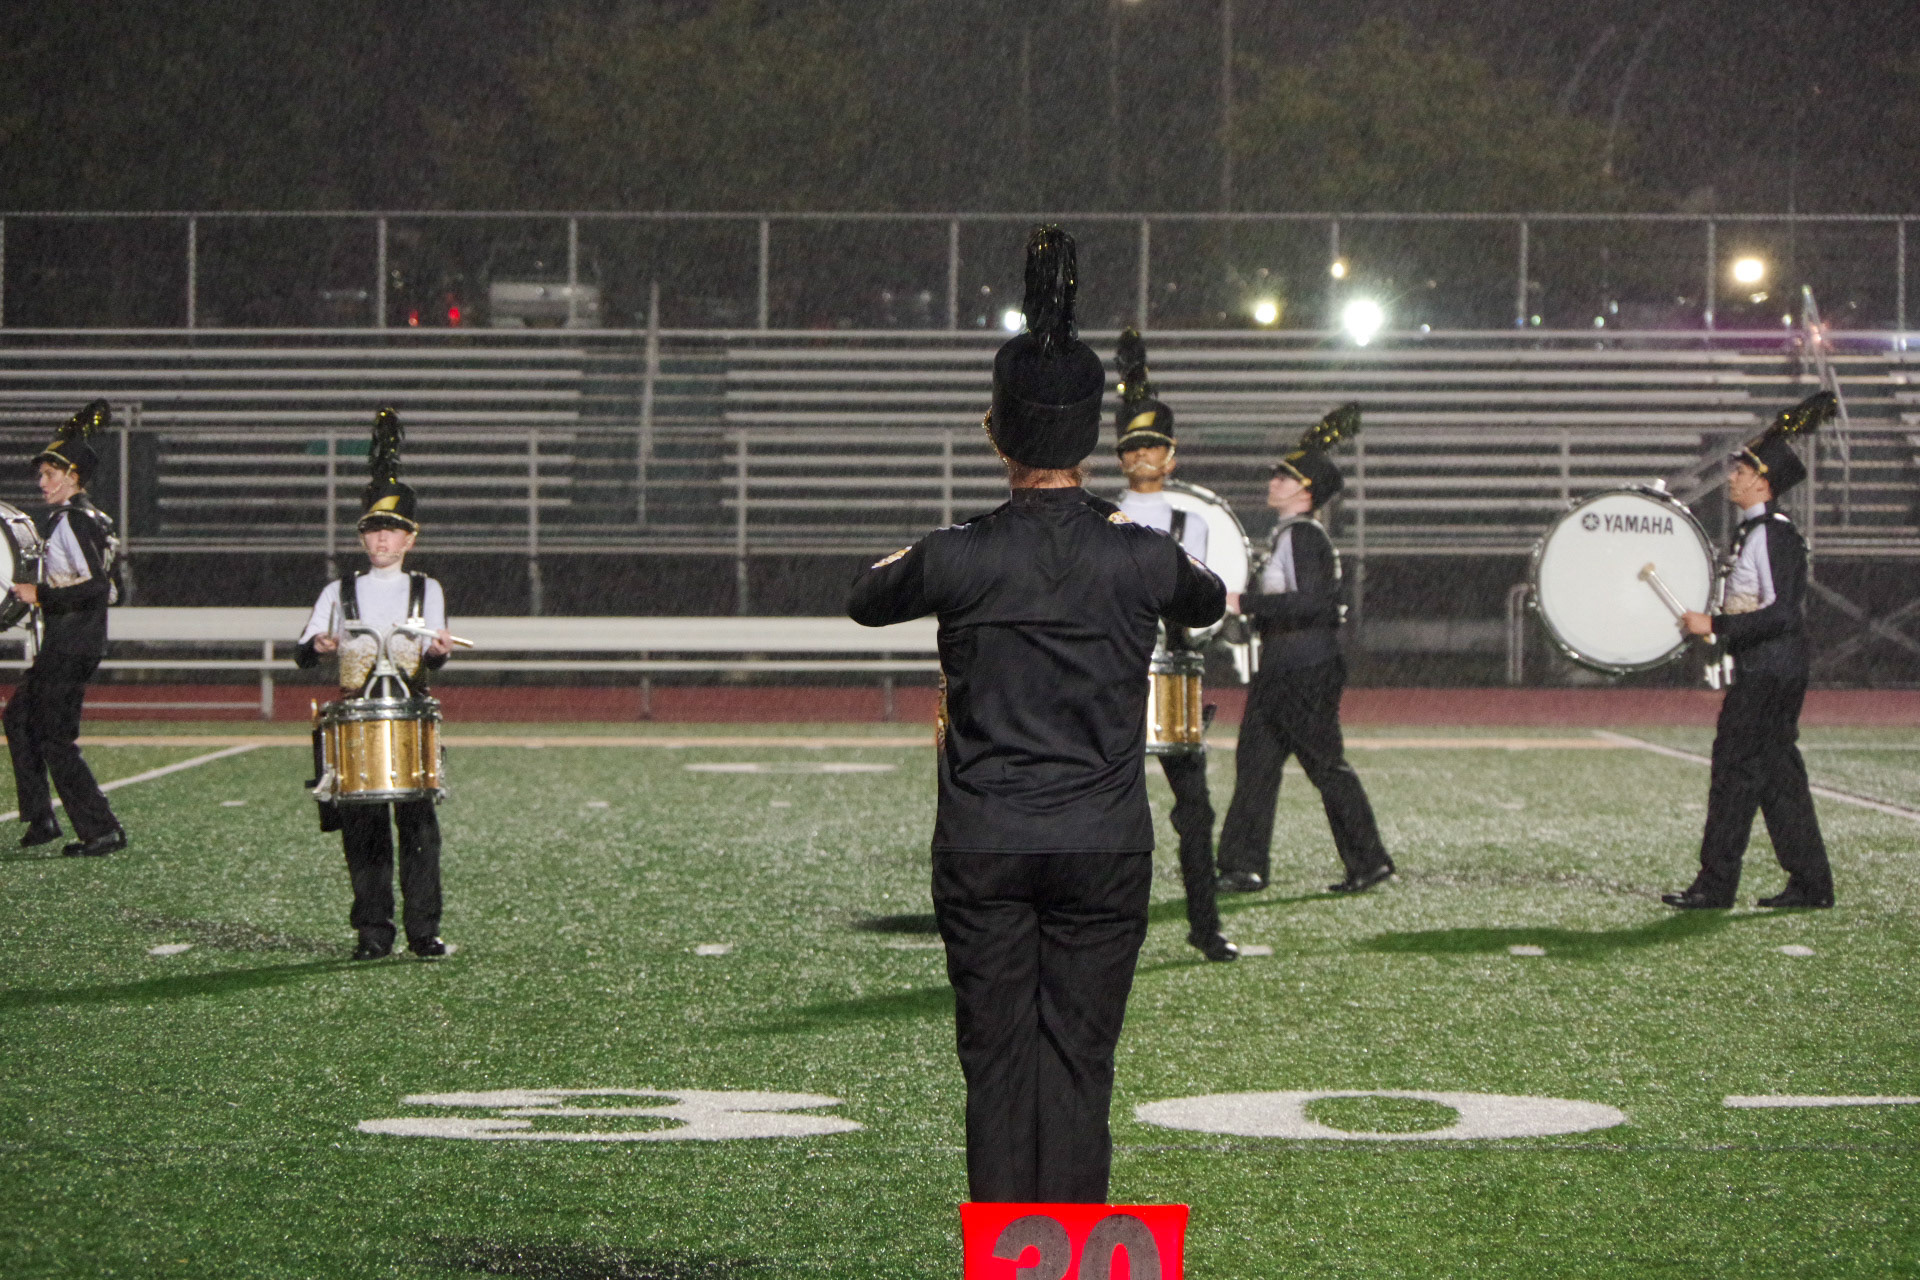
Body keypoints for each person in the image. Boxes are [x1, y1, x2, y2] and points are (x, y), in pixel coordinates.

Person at [848, 227, 1225, 1204]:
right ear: (1090, 440)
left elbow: (865, 597)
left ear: (998, 433)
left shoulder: (959, 552)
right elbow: (1208, 598)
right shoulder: (1137, 550)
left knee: (997, 1065)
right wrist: (1114, 524)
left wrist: (964, 541)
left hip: (986, 841)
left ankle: (1006, 1254)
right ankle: (1072, 1252)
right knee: (1080, 1064)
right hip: (1103, 841)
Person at [1663, 391, 1836, 910]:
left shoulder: (1773, 535)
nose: (1732, 477)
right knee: (1779, 779)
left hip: (1769, 674)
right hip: (1771, 670)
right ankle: (1811, 884)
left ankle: (1715, 885)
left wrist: (1716, 624)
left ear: (1764, 482)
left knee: (1734, 773)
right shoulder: (1755, 533)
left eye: (1742, 471)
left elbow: (1783, 614)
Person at [295, 409, 455, 959]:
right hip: (357, 718)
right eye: (372, 530)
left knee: (419, 828)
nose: (381, 538)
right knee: (362, 831)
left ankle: (423, 930)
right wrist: (320, 646)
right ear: (363, 536)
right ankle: (373, 931)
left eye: (391, 530)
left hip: (409, 713)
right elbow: (304, 649)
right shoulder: (337, 590)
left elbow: (433, 655)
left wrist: (438, 651)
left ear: (409, 538)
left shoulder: (426, 589)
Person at [1214, 406, 1393, 896]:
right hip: (1284, 666)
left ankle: (1368, 859)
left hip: (1302, 668)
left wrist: (1244, 602)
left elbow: (1314, 602)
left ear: (1305, 491)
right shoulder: (1290, 535)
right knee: (1256, 765)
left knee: (1324, 766)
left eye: (1284, 476)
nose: (1273, 481)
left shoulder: (1302, 536)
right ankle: (1242, 865)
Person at [1110, 327, 1236, 963]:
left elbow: (1196, 598)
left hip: (1175, 674)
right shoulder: (1100, 516)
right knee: (1105, 807)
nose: (1143, 456)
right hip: (1113, 673)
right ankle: (1101, 927)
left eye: (1153, 446)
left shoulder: (1192, 522)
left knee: (1196, 811)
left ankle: (1205, 926)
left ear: (1172, 455)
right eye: (1133, 447)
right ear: (1120, 457)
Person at [5, 401, 127, 858]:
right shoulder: (93, 519)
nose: (42, 483)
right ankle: (41, 818)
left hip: (70, 645)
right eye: (42, 474)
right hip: (72, 642)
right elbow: (114, 589)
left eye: (50, 474)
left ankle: (101, 830)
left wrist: (40, 594)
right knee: (18, 717)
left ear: (73, 477)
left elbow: (97, 587)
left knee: (56, 738)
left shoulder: (73, 520)